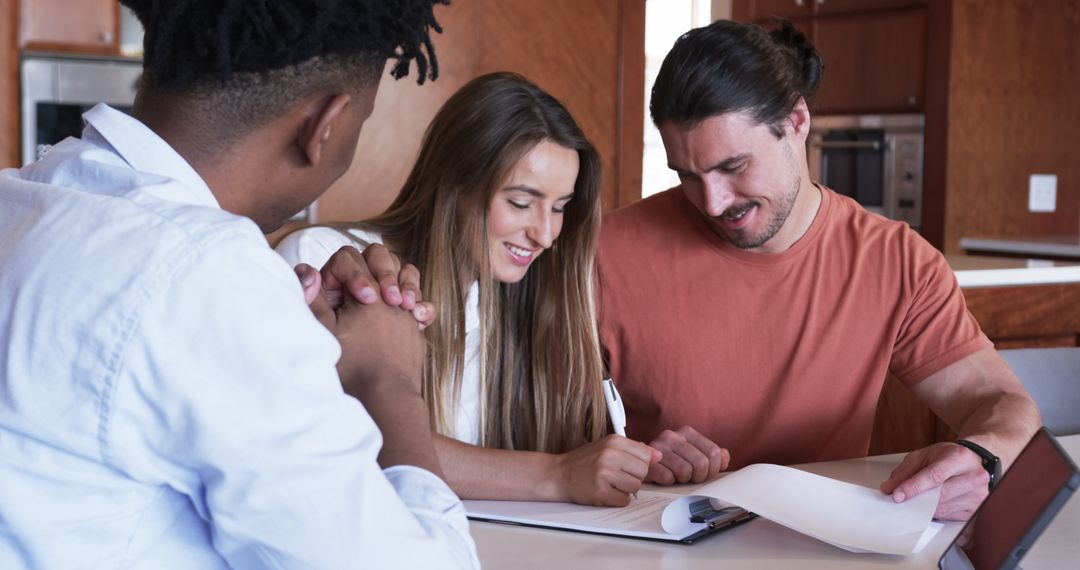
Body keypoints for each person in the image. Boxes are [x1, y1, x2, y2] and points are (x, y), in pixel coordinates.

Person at [0, 1, 480, 568]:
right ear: (323, 126)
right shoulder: (207, 272)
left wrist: (293, 352)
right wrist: (388, 382)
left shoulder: (23, 196)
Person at [595, 19, 1042, 521]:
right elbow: (537, 431)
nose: (714, 203)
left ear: (796, 121)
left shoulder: (897, 261)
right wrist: (631, 455)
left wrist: (986, 457)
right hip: (652, 541)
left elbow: (1000, 401)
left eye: (733, 167)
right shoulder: (604, 253)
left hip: (825, 545)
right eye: (688, 177)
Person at [277, 72, 659, 507]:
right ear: (454, 185)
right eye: (520, 203)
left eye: (559, 208)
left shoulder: (515, 296)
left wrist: (642, 461)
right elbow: (345, 435)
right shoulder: (328, 260)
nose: (546, 235)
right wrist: (553, 476)